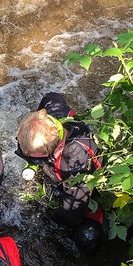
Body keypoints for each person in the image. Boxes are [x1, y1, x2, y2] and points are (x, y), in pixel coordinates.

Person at [15, 92, 104, 254]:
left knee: (87, 240)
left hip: (92, 190)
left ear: (54, 148)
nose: (32, 160)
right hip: (60, 164)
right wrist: (33, 166)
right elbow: (52, 95)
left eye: (37, 158)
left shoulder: (73, 163)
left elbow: (72, 215)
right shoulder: (52, 114)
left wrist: (46, 218)